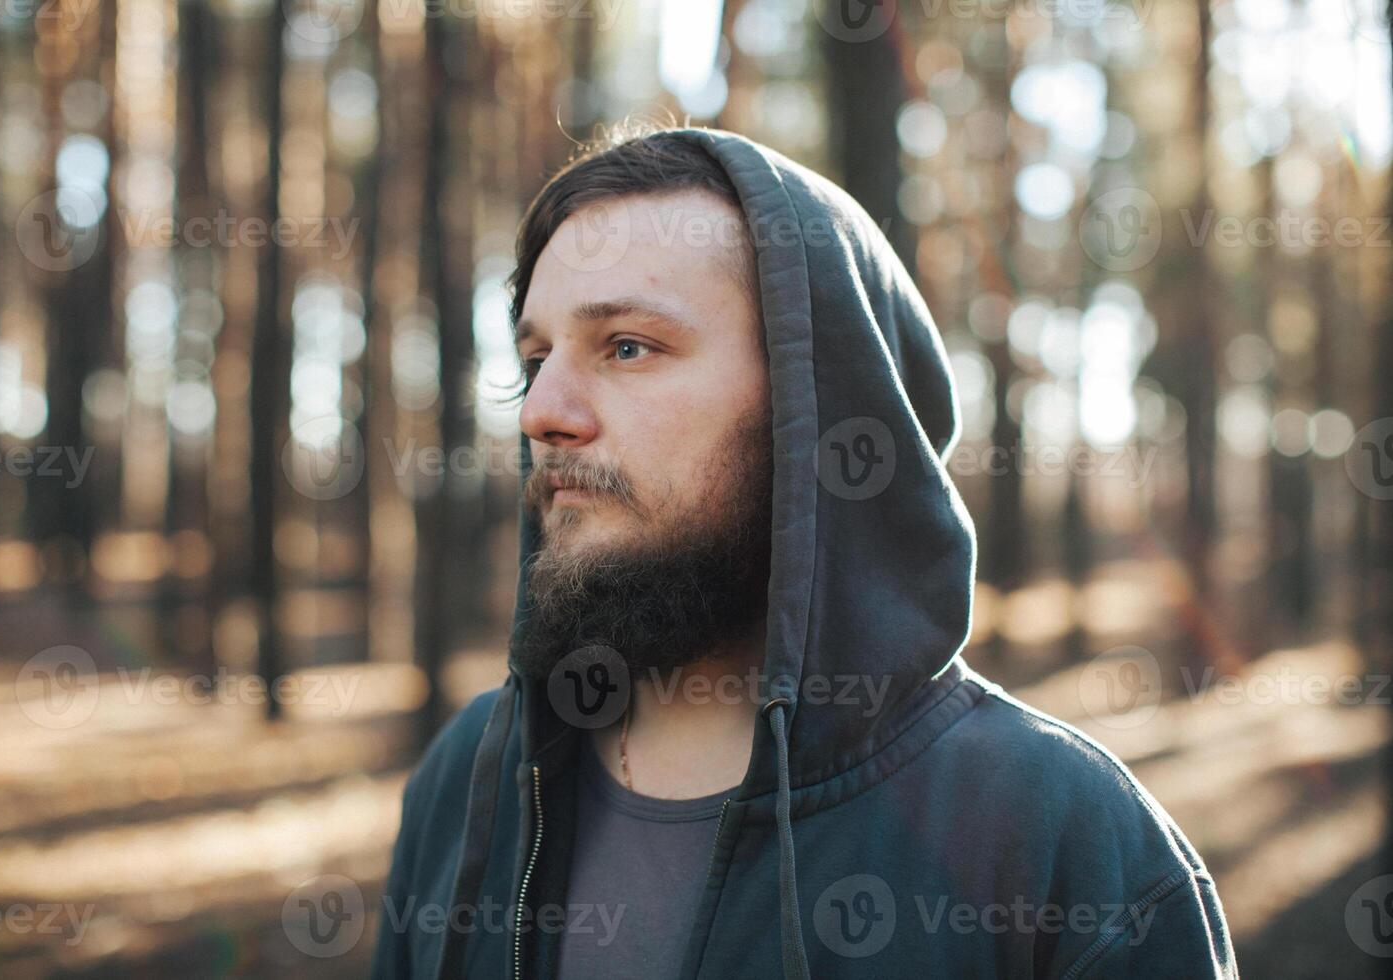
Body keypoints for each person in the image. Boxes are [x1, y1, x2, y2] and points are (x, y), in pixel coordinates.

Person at [371, 127, 1237, 979]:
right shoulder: (473, 782)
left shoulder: (1064, 844)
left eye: (627, 347)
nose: (541, 412)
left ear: (812, 404)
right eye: (534, 360)